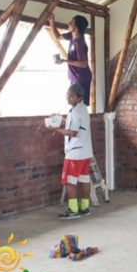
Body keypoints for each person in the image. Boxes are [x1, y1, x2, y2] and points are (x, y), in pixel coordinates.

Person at [49, 84, 93, 219]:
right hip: (85, 152)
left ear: (79, 97)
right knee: (84, 180)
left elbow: (73, 132)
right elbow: (75, 123)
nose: (68, 98)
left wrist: (56, 129)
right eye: (67, 95)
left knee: (69, 181)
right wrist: (61, 120)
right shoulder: (83, 109)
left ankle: (73, 210)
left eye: (71, 96)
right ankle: (85, 208)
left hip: (75, 153)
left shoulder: (74, 111)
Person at [49, 14, 92, 105]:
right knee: (74, 103)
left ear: (76, 27)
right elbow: (57, 37)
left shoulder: (80, 43)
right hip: (74, 77)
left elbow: (84, 64)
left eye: (71, 22)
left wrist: (65, 61)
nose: (68, 23)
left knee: (80, 104)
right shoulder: (71, 35)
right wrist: (52, 22)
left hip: (81, 78)